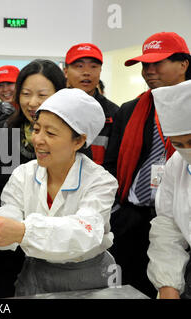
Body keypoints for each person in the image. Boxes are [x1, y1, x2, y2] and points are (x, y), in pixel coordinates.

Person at [0, 88, 118, 296]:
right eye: (37, 129)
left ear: (79, 141)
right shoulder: (24, 174)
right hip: (36, 274)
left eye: (51, 133)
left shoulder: (100, 181)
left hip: (89, 278)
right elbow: (11, 212)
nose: (38, 140)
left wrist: (23, 231)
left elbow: (86, 232)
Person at [103, 31, 190, 298]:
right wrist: (116, 210)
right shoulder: (130, 109)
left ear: (184, 63)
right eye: (145, 65)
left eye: (158, 63)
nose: (149, 71)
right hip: (133, 216)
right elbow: (112, 163)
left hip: (177, 216)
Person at [0, 59, 66, 298]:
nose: (32, 102)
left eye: (42, 94)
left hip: (50, 246)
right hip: (3, 245)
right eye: (25, 94)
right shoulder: (2, 132)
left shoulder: (71, 139)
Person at [147, 80, 191, 299]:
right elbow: (168, 226)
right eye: (178, 144)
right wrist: (168, 284)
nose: (186, 150)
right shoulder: (177, 163)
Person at [64, 43, 119, 165]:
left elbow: (114, 162)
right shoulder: (52, 107)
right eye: (79, 66)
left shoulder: (114, 113)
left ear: (100, 71)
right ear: (66, 71)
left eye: (93, 66)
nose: (86, 72)